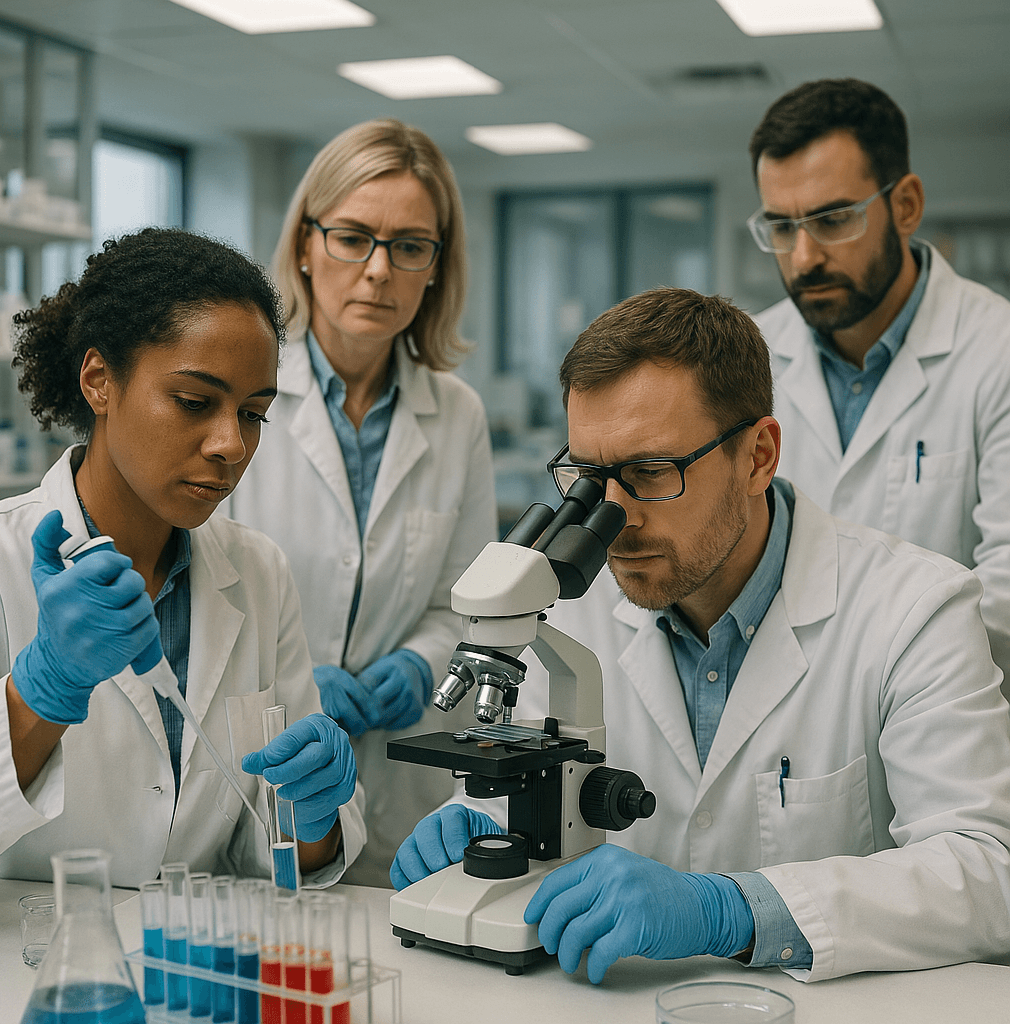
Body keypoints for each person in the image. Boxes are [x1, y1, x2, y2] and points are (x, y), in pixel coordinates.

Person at [390, 288, 1010, 984]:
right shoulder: (563, 608)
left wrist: (732, 909)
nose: (615, 518)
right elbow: (513, 780)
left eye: (651, 473)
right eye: (589, 480)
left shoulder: (915, 610)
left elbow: (985, 874)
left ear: (758, 456)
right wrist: (475, 826)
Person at [0, 227, 364, 888]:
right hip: (31, 973)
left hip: (197, 969)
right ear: (100, 380)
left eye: (253, 414)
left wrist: (311, 814)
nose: (230, 445)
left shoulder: (259, 573)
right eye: (194, 402)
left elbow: (272, 853)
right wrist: (43, 689)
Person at [225, 119, 497, 886]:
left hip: (406, 780)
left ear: (437, 268)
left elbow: (469, 603)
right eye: (352, 238)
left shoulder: (459, 414)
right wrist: (298, 674)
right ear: (305, 247)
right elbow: (198, 587)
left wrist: (422, 661)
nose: (378, 271)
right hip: (268, 763)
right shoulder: (240, 395)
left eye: (410, 246)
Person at [746, 78, 1010, 692]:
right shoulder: (745, 358)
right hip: (776, 722)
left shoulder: (996, 349)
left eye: (833, 218)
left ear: (907, 205)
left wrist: (857, 684)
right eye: (782, 228)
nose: (804, 256)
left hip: (954, 715)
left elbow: (1005, 589)